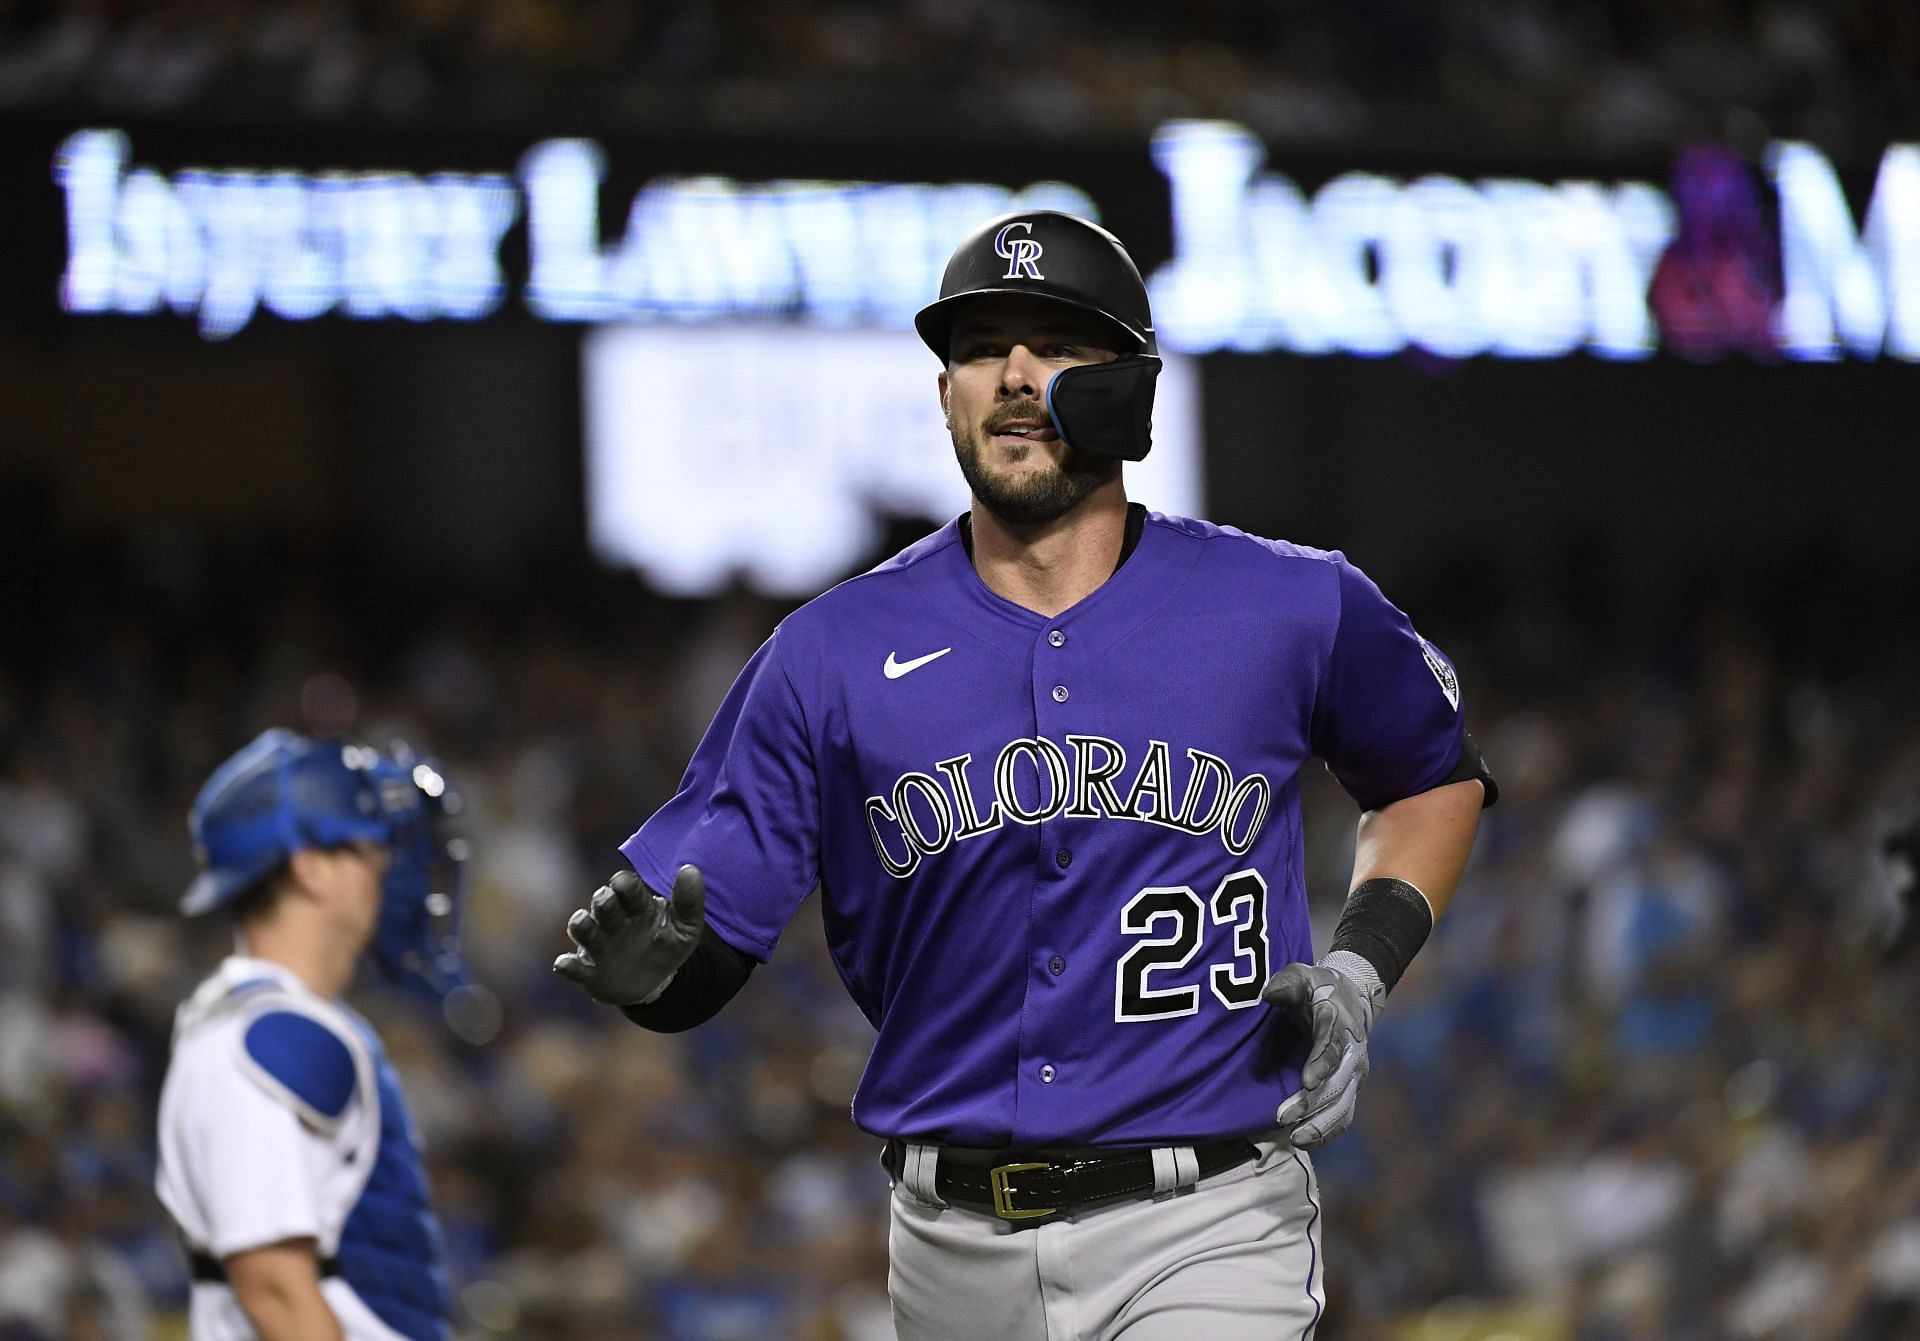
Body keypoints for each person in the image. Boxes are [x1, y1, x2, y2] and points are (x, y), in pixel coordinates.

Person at [555, 211, 1498, 1339]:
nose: (1010, 374)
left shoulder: (1290, 603)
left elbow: (1432, 775)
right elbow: (706, 944)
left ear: (1131, 388)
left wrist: (1361, 967)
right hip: (949, 1246)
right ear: (945, 392)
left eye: (1055, 343)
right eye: (977, 348)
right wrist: (657, 981)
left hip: (1206, 1220)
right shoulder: (830, 652)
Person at [156, 729, 469, 1341]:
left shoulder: (271, 1022)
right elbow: (276, 1291)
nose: (387, 868)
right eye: (371, 846)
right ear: (310, 867)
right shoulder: (266, 1039)